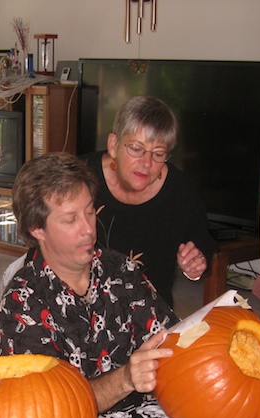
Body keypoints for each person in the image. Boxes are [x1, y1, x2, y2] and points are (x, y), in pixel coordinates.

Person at [0, 152, 178, 413]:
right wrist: (125, 379)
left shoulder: (121, 270)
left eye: (90, 212)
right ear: (37, 229)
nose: (89, 229)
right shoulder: (21, 303)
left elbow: (169, 340)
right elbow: (53, 408)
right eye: (71, 219)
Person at [80, 95, 216, 308]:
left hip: (149, 315)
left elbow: (202, 245)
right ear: (113, 145)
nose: (146, 163)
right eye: (136, 149)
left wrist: (195, 265)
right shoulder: (80, 178)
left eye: (158, 154)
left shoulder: (180, 191)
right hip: (82, 309)